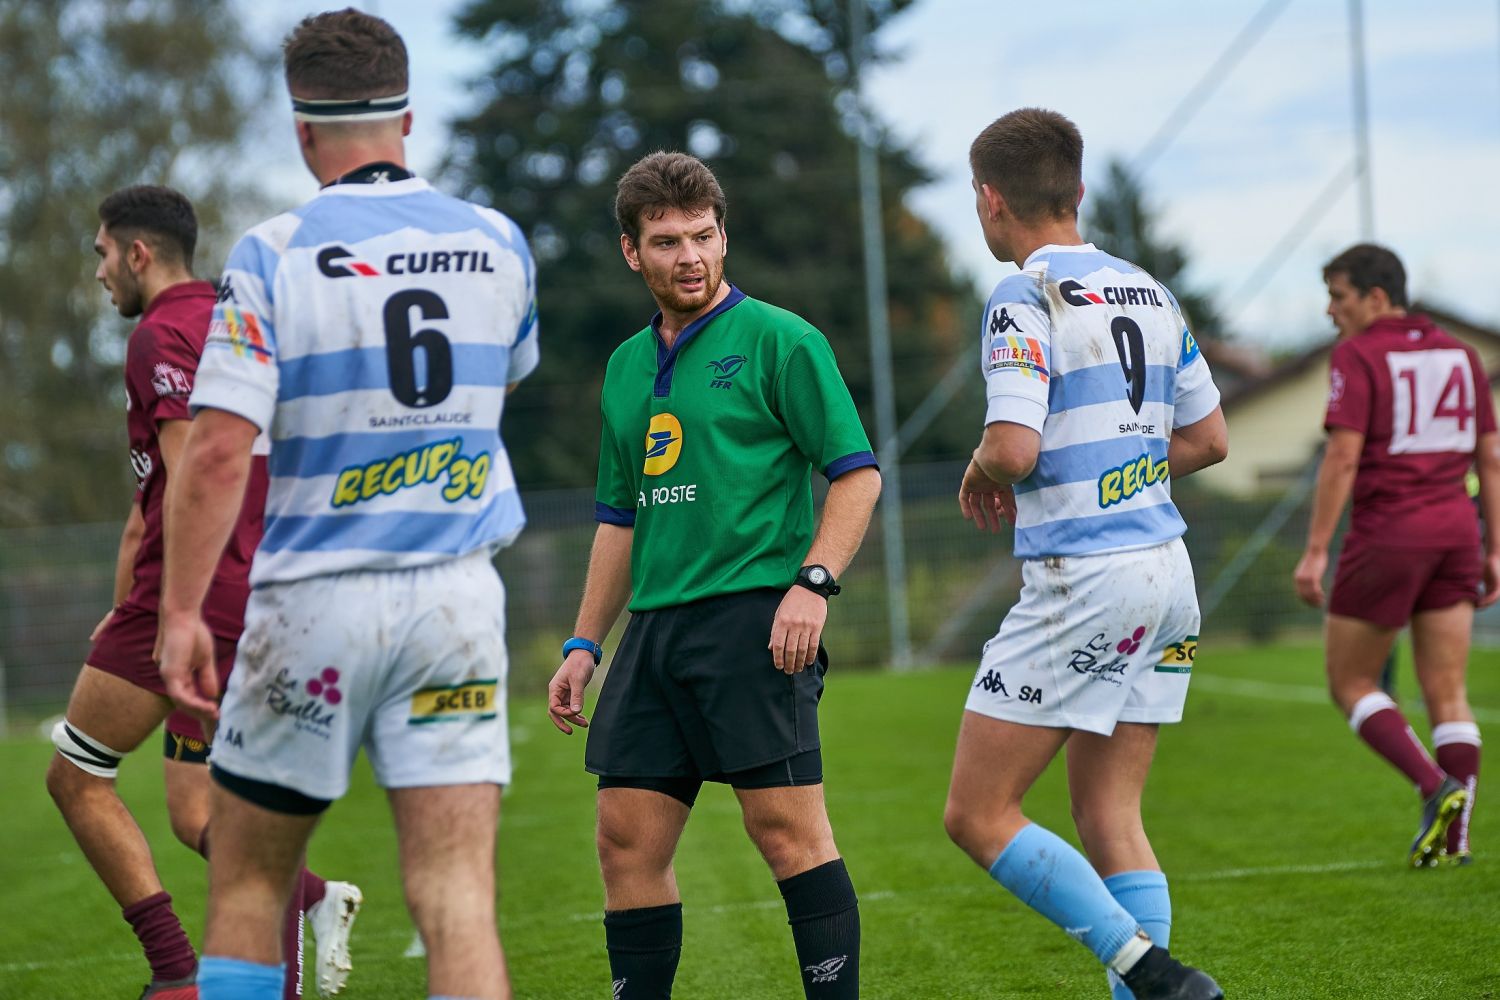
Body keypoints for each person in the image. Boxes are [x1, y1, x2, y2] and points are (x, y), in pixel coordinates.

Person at [157, 10, 538, 1000]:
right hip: (455, 603)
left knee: (249, 882)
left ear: (302, 132)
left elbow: (218, 451)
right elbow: (502, 382)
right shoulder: (499, 242)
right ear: (408, 118)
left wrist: (183, 611)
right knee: (457, 896)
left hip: (313, 601)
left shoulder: (272, 252)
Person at [546, 150, 881, 1000]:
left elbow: (856, 475)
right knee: (624, 842)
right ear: (632, 252)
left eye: (703, 235)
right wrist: (584, 643)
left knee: (786, 834)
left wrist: (813, 583)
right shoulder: (624, 366)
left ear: (724, 236)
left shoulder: (782, 340)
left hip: (753, 619)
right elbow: (620, 518)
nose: (689, 256)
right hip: (655, 632)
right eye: (666, 241)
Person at [940, 109, 1227, 1000]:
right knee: (1110, 814)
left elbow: (1013, 446)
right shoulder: (1149, 290)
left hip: (1089, 579)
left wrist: (981, 464)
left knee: (978, 813)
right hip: (1168, 575)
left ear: (990, 199)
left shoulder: (1023, 295)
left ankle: (1157, 975)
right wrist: (1122, 471)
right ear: (1077, 190)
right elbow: (1209, 439)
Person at [45, 185, 359, 1000]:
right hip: (258, 588)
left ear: (138, 253)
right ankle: (305, 913)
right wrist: (123, 604)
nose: (101, 273)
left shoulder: (159, 333)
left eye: (103, 254)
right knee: (215, 815)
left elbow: (192, 475)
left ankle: (174, 972)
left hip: (195, 600)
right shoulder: (235, 315)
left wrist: (166, 611)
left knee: (77, 778)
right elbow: (150, 502)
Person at [1294, 243, 1496, 867]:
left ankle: (1434, 786)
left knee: (1350, 681)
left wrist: (1316, 550)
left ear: (1376, 298)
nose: (1331, 311)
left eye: (1339, 296)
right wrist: (1494, 547)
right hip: (1457, 533)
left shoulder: (1358, 354)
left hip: (1390, 534)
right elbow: (1490, 457)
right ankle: (1454, 846)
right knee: (1448, 692)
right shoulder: (1463, 355)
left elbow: (1343, 456)